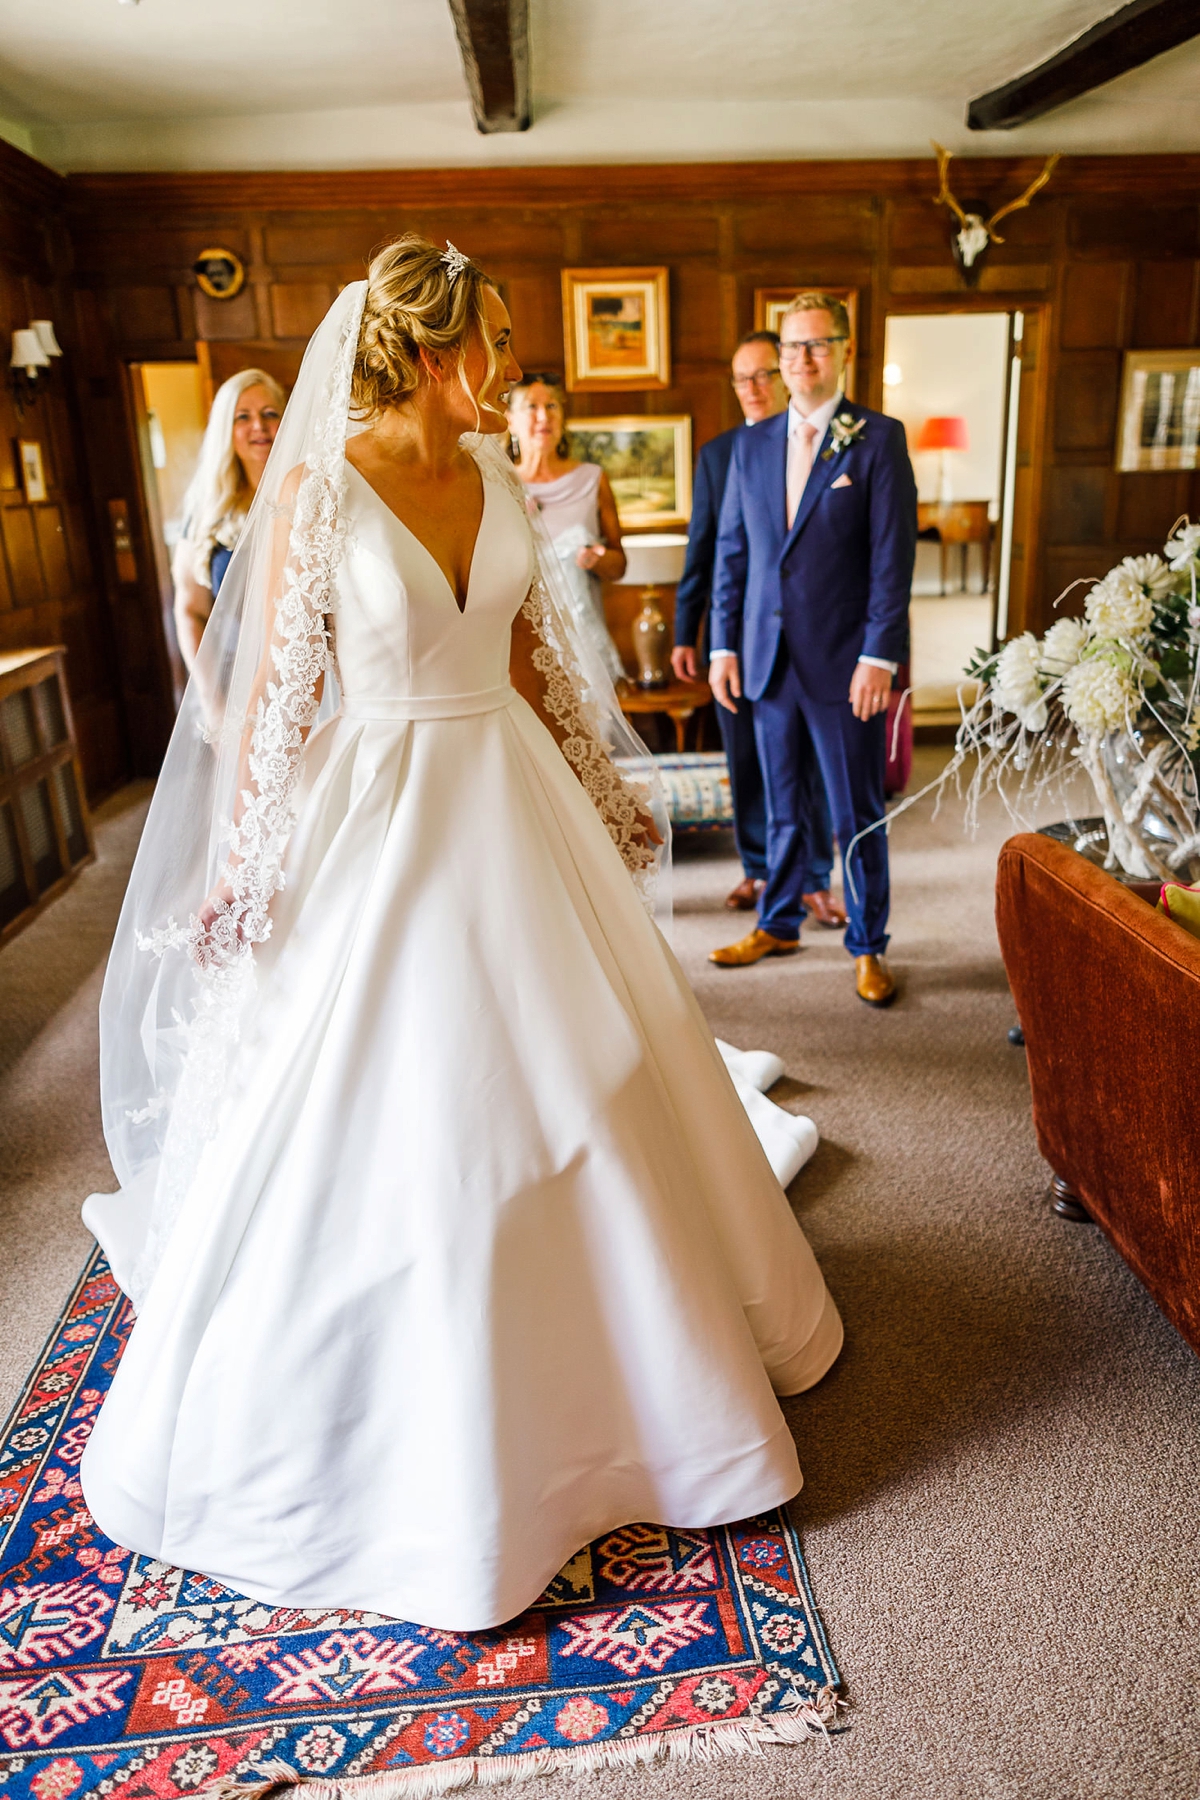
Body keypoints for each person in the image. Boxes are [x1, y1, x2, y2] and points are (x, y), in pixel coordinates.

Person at [79, 236, 843, 1633]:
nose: (510, 365)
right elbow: (276, 704)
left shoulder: (494, 475)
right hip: (378, 810)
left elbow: (537, 666)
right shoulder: (316, 488)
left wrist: (604, 792)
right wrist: (248, 866)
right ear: (437, 354)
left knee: (592, 1072)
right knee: (394, 1100)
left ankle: (635, 1359)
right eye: (494, 340)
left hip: (511, 790)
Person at [708, 291, 916, 1007]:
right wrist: (722, 647)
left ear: (845, 350)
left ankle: (868, 944)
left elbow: (892, 559)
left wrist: (879, 658)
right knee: (779, 805)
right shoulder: (751, 444)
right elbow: (733, 554)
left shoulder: (878, 438)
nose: (801, 358)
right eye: (792, 346)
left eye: (816, 343)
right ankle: (778, 923)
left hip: (845, 663)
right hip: (765, 658)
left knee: (855, 812)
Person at [671, 331, 846, 929]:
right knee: (745, 758)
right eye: (741, 378)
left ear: (787, 372)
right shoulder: (721, 455)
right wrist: (687, 634)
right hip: (738, 639)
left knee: (811, 764)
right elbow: (705, 550)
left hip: (811, 639)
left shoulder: (827, 444)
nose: (752, 388)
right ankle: (759, 868)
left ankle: (815, 878)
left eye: (763, 374)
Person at [507, 371, 627, 683]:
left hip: (584, 645)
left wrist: (597, 559)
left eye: (552, 406)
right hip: (518, 645)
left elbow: (618, 566)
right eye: (532, 407)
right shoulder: (498, 482)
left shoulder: (592, 479)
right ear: (510, 420)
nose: (543, 416)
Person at [172, 368, 285, 670]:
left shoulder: (309, 495)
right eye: (242, 417)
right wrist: (212, 693)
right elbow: (191, 611)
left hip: (308, 670)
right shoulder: (206, 510)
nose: (259, 426)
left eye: (270, 413)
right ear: (225, 428)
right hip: (235, 672)